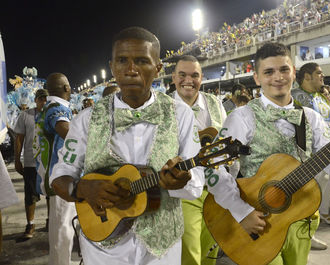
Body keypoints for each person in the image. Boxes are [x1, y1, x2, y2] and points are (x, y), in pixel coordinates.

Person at [207, 42, 330, 265]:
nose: (278, 77)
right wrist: (241, 211)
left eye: (284, 70)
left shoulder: (311, 117)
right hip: (259, 221)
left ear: (293, 73)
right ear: (257, 78)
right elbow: (213, 167)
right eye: (269, 72)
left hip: (301, 220)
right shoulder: (242, 117)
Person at [50, 26, 206, 265]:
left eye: (142, 61)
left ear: (158, 68)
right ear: (112, 67)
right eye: (122, 60)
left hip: (161, 251)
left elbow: (197, 180)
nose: (131, 70)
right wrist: (83, 190)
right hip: (103, 249)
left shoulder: (180, 114)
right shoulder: (87, 119)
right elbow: (60, 177)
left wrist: (180, 181)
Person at [171, 55, 227, 265]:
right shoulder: (165, 108)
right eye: (183, 75)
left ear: (201, 78)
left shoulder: (215, 103)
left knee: (210, 252)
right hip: (184, 191)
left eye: (194, 75)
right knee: (190, 255)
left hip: (216, 190)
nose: (189, 80)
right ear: (174, 78)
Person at [292, 62, 330, 249]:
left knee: (317, 198)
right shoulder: (296, 97)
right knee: (305, 200)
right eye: (318, 73)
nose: (322, 76)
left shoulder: (319, 97)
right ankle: (302, 237)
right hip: (308, 159)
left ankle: (309, 233)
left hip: (325, 154)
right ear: (307, 76)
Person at [38, 73, 76, 265]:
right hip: (61, 175)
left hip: (55, 174)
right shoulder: (57, 108)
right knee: (63, 229)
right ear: (66, 88)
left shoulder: (46, 107)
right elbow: (65, 130)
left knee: (61, 226)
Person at [13, 89, 48, 239]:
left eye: (46, 99)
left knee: (51, 195)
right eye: (41, 99)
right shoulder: (25, 115)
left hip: (48, 162)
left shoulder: (52, 115)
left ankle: (50, 221)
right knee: (30, 195)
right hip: (31, 162)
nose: (44, 102)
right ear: (36, 100)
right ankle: (31, 223)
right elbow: (19, 139)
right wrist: (17, 160)